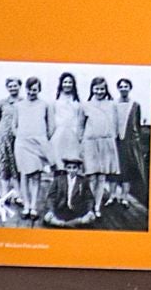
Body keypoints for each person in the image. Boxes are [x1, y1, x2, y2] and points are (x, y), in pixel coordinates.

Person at [46, 72, 88, 222]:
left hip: (72, 136)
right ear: (61, 84)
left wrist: (80, 137)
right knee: (58, 169)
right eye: (65, 82)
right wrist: (51, 138)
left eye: (70, 82)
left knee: (71, 168)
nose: (67, 85)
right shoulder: (55, 102)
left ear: (73, 84)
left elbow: (80, 122)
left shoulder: (78, 103)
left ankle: (73, 201)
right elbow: (51, 123)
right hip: (59, 136)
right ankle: (57, 201)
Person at [81, 77, 123, 218]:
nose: (99, 91)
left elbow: (116, 125)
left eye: (102, 89)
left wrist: (112, 140)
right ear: (92, 89)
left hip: (106, 143)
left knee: (101, 177)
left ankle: (97, 207)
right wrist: (81, 143)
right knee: (91, 176)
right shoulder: (85, 105)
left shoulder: (112, 105)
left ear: (106, 90)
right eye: (96, 89)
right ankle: (89, 206)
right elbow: (80, 126)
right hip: (90, 143)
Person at [12, 76, 51, 221]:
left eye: (35, 89)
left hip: (38, 143)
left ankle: (34, 207)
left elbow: (50, 127)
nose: (32, 92)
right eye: (29, 89)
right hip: (22, 144)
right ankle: (26, 206)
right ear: (26, 89)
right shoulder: (18, 106)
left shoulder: (45, 105)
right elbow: (14, 126)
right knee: (24, 175)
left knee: (36, 175)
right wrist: (21, 137)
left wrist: (42, 140)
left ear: (39, 90)